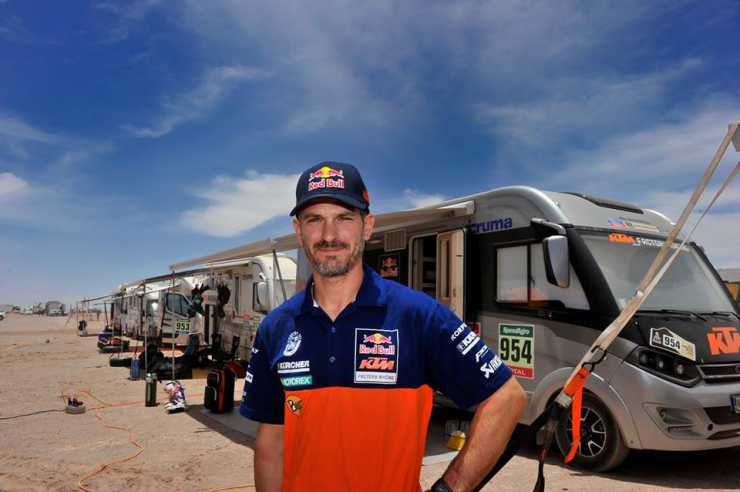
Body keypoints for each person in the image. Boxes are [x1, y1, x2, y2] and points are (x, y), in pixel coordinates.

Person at [240, 162, 527, 492]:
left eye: (344, 218)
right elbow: (272, 443)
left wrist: (451, 487)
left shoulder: (417, 315)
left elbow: (507, 397)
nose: (329, 235)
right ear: (298, 230)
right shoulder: (276, 328)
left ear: (367, 226)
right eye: (314, 219)